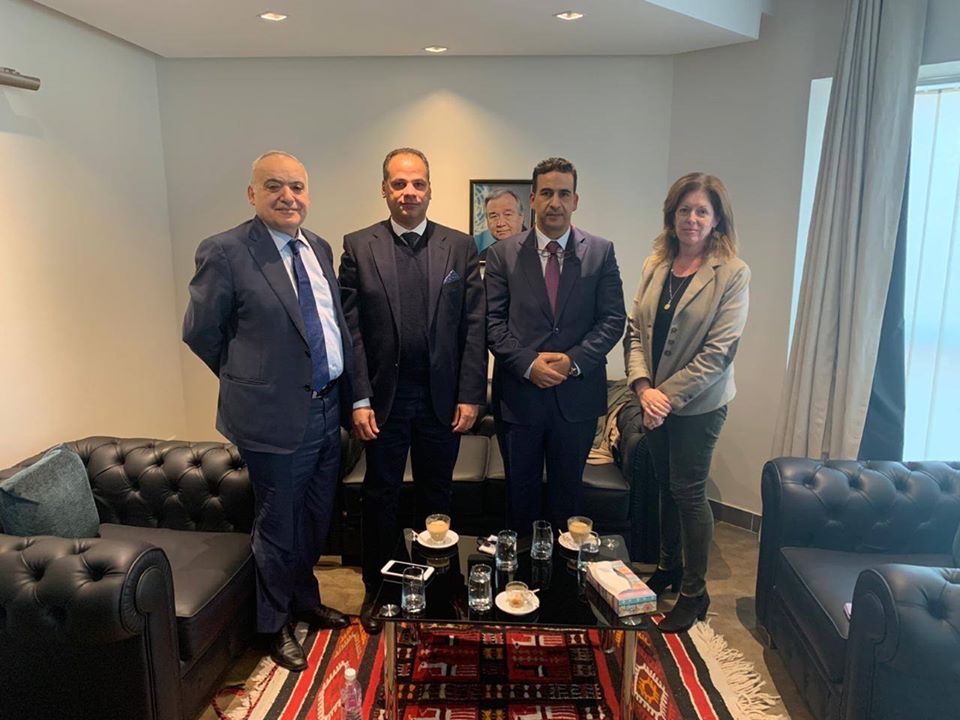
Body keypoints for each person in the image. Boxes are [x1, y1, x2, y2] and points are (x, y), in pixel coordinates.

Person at [183, 151, 353, 671]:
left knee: (315, 518)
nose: (288, 196)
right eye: (274, 186)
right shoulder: (226, 251)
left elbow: (328, 324)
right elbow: (201, 332)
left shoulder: (318, 247)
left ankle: (304, 599)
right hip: (271, 417)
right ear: (252, 194)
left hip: (327, 408)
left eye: (297, 187)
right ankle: (272, 625)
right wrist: (251, 381)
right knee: (277, 525)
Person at [339, 147, 487, 635]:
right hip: (384, 400)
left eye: (417, 183)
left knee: (436, 494)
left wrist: (471, 393)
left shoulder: (459, 246)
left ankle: (438, 588)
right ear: (384, 189)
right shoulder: (358, 246)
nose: (409, 192)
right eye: (399, 184)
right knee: (380, 495)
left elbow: (473, 326)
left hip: (441, 399)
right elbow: (350, 332)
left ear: (429, 189)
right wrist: (359, 397)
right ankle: (380, 589)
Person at [623, 172, 750, 633]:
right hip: (652, 400)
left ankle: (695, 593)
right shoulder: (655, 264)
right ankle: (668, 568)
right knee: (664, 486)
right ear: (671, 216)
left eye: (701, 211)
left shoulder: (732, 273)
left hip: (699, 407)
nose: (691, 218)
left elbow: (719, 353)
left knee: (689, 493)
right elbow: (634, 331)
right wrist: (643, 387)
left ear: (716, 219)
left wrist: (663, 398)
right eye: (684, 210)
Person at [485, 157, 625, 538]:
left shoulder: (600, 252)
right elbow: (492, 324)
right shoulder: (501, 255)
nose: (555, 202)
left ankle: (563, 576)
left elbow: (613, 319)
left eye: (564, 193)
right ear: (532, 199)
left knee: (568, 503)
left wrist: (573, 361)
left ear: (576, 200)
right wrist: (529, 364)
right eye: (546, 193)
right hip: (519, 399)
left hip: (576, 400)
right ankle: (519, 576)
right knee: (520, 501)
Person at [477, 189, 526, 258]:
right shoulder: (485, 255)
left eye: (507, 214)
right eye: (494, 216)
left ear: (522, 217)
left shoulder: (537, 248)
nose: (500, 223)